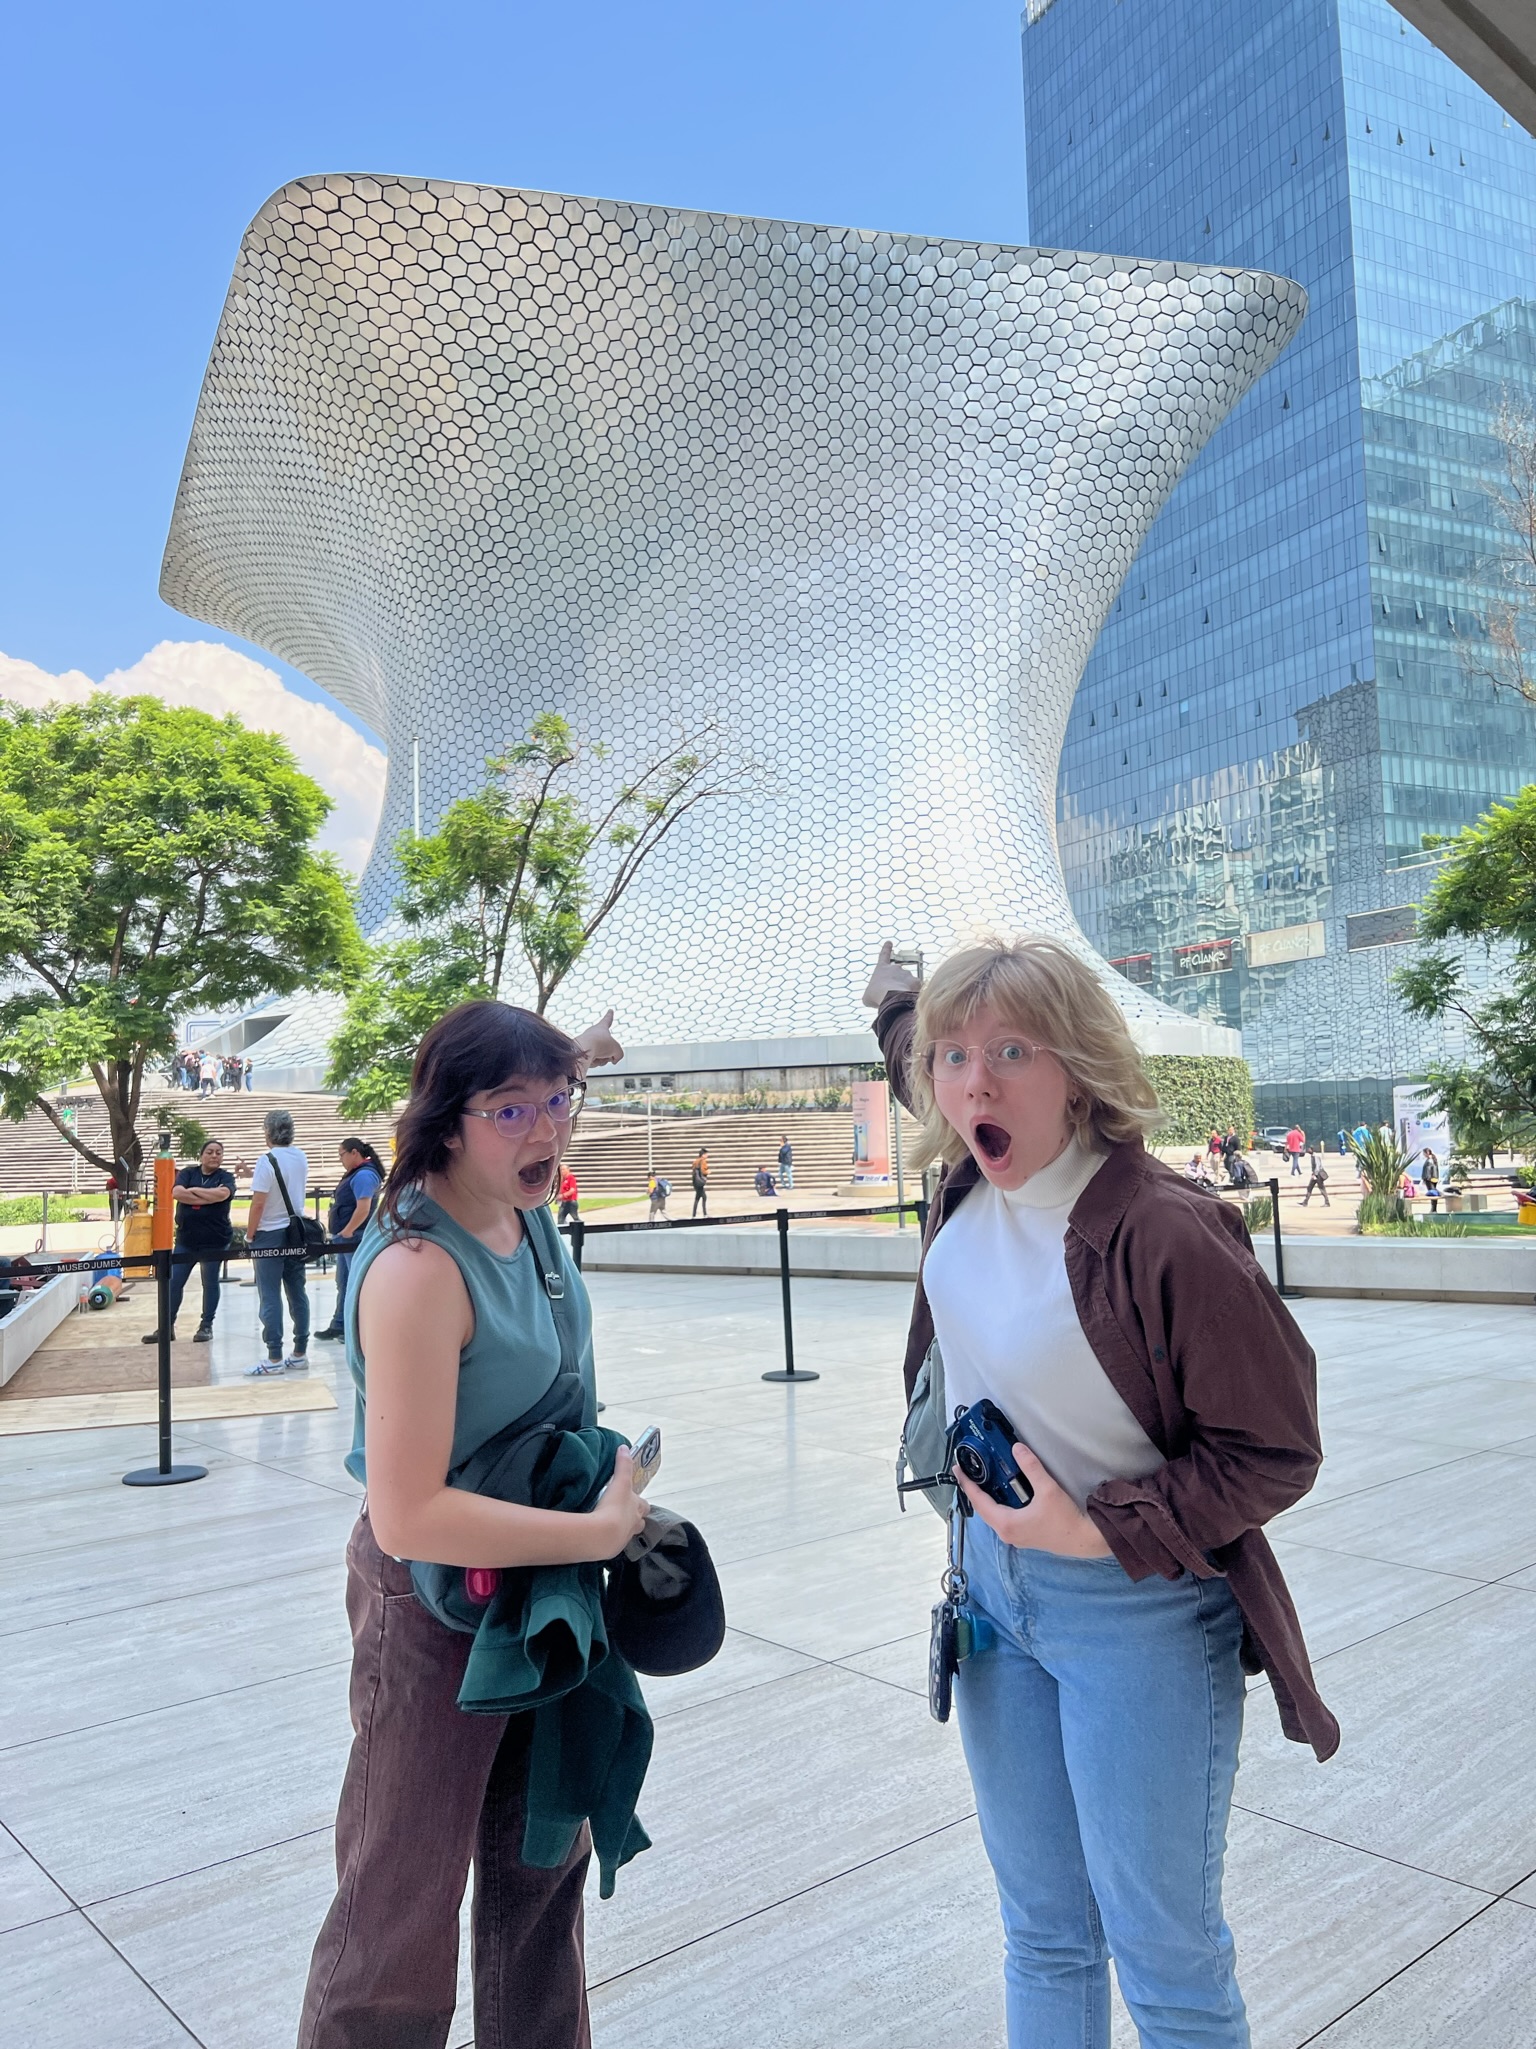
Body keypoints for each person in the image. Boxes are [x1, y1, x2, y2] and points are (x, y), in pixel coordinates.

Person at [863, 937, 1335, 2049]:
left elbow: (1277, 1449)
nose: (975, 1081)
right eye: (954, 1056)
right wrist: (894, 1004)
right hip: (992, 1602)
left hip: (1140, 1614)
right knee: (1044, 1934)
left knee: (1163, 1954)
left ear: (1076, 1067)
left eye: (1014, 1051)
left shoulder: (1162, 1231)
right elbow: (911, 1046)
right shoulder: (968, 1173)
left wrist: (1092, 1526)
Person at [295, 998, 644, 2049]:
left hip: (535, 1588)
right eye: (510, 1111)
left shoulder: (518, 1193)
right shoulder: (416, 1271)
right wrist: (598, 1535)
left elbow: (534, 1078)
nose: (546, 1130)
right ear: (446, 1121)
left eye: (560, 1103)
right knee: (399, 1896)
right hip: (437, 1605)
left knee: (542, 1864)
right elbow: (409, 1515)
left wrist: (571, 1054)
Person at [140, 1137, 236, 1344]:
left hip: (215, 1240)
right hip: (187, 1239)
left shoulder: (226, 1177)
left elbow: (223, 1194)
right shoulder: (188, 1172)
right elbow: (177, 1192)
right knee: (174, 1282)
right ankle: (166, 1327)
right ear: (201, 1155)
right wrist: (207, 1196)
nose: (214, 1155)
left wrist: (193, 1192)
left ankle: (206, 1326)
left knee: (210, 1282)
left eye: (218, 1152)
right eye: (210, 1151)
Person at [243, 1108, 312, 1375]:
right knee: (297, 1291)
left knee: (269, 1293)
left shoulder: (267, 1160)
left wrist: (249, 1235)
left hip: (269, 1233)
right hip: (296, 1230)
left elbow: (258, 1203)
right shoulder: (301, 1156)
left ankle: (273, 1356)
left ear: (268, 1132)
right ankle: (299, 1352)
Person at [315, 1140, 386, 1343]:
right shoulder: (359, 1173)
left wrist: (348, 1231)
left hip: (354, 1238)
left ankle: (354, 1330)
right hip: (347, 1237)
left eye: (341, 1154)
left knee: (355, 1284)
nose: (341, 1159)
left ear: (354, 1153)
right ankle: (340, 1324)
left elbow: (363, 1208)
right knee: (344, 1283)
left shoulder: (364, 1175)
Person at [557, 1165, 580, 1229]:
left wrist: (563, 1195)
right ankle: (561, 1231)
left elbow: (572, 1190)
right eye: (561, 1170)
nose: (562, 1171)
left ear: (568, 1170)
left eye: (563, 1169)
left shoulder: (571, 1178)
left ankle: (580, 1229)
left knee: (575, 1217)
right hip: (564, 1202)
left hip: (571, 1202)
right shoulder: (563, 1179)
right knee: (560, 1218)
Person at [1421, 1147, 1441, 1214]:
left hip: (1429, 1179)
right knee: (1433, 1193)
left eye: (1424, 1153)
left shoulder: (1429, 1160)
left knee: (1433, 1194)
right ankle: (1433, 1208)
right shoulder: (1433, 1159)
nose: (1423, 1155)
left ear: (1427, 1153)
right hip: (1434, 1178)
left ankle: (1434, 1209)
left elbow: (1428, 1170)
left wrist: (1425, 1178)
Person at [691, 1147, 709, 1218]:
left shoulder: (695, 1161)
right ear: (703, 1155)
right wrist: (708, 1172)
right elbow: (703, 1171)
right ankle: (705, 1214)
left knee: (698, 1197)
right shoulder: (703, 1161)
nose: (707, 1155)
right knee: (704, 1197)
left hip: (695, 1181)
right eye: (706, 1154)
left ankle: (694, 1215)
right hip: (700, 1181)